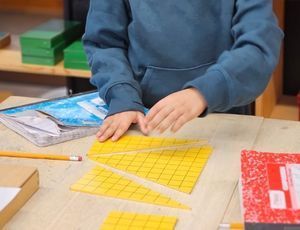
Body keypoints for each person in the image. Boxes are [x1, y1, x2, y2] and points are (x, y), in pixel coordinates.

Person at [83, 0, 283, 142]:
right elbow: (104, 43)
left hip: (223, 118)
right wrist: (122, 97)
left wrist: (204, 92)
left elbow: (259, 46)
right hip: (144, 120)